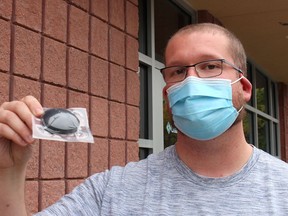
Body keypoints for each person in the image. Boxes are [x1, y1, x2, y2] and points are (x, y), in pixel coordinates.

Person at [1, 23, 288, 215]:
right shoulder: (111, 191)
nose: (191, 81)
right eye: (177, 71)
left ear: (245, 87)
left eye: (210, 66)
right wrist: (8, 172)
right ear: (167, 94)